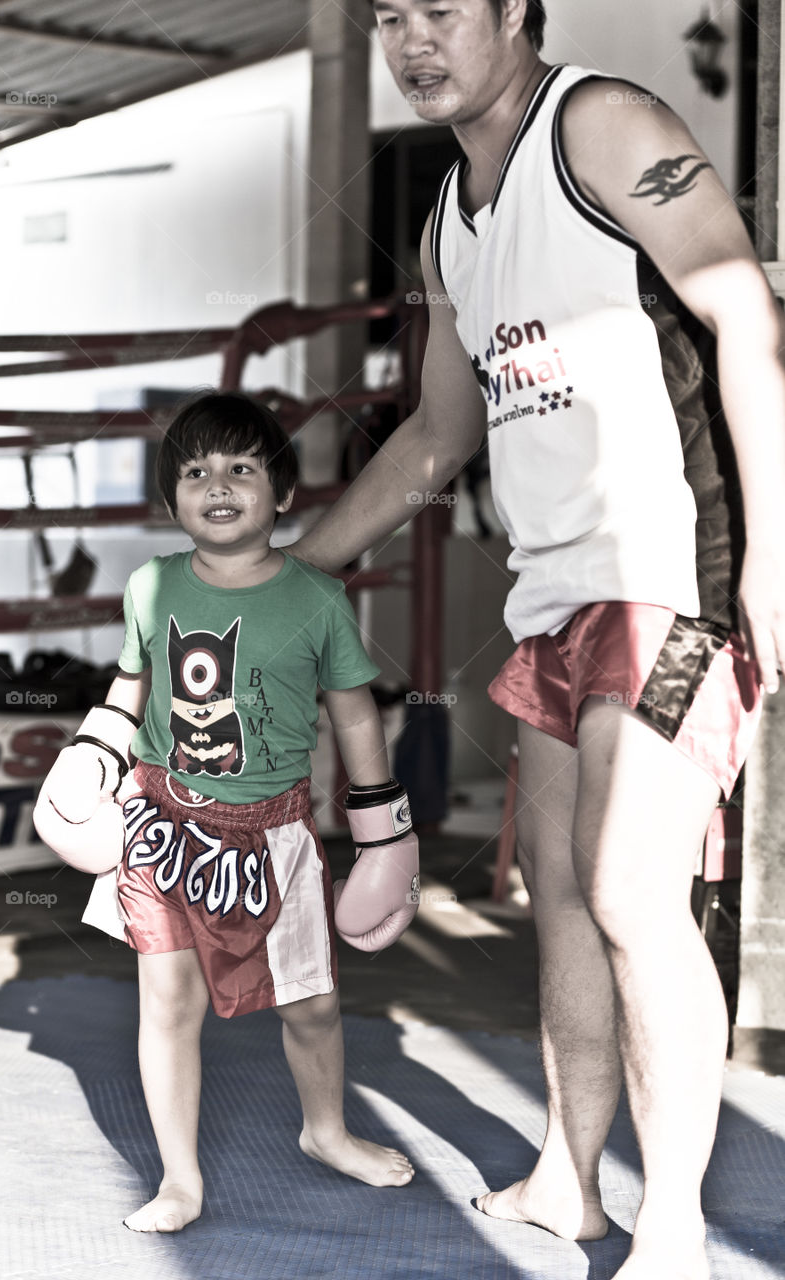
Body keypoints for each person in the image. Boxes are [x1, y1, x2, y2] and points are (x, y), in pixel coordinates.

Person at [290, 2, 785, 1277]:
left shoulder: (606, 127)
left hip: (676, 574)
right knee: (558, 901)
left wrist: (777, 558)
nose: (410, 42)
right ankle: (569, 1180)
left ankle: (672, 1222)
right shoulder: (449, 218)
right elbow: (435, 441)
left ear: (515, 13)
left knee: (629, 889)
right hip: (554, 598)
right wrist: (288, 574)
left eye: (441, 10)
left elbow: (745, 318)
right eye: (390, 16)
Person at [35, 390, 420, 1233]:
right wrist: (96, 754)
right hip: (164, 828)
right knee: (167, 1005)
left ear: (282, 493)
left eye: (242, 468)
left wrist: (381, 825)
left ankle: (325, 1130)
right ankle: (180, 1179)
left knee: (311, 1003)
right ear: (172, 497)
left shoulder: (316, 597)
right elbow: (133, 685)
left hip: (273, 836)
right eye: (196, 470)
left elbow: (354, 711)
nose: (218, 484)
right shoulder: (151, 585)